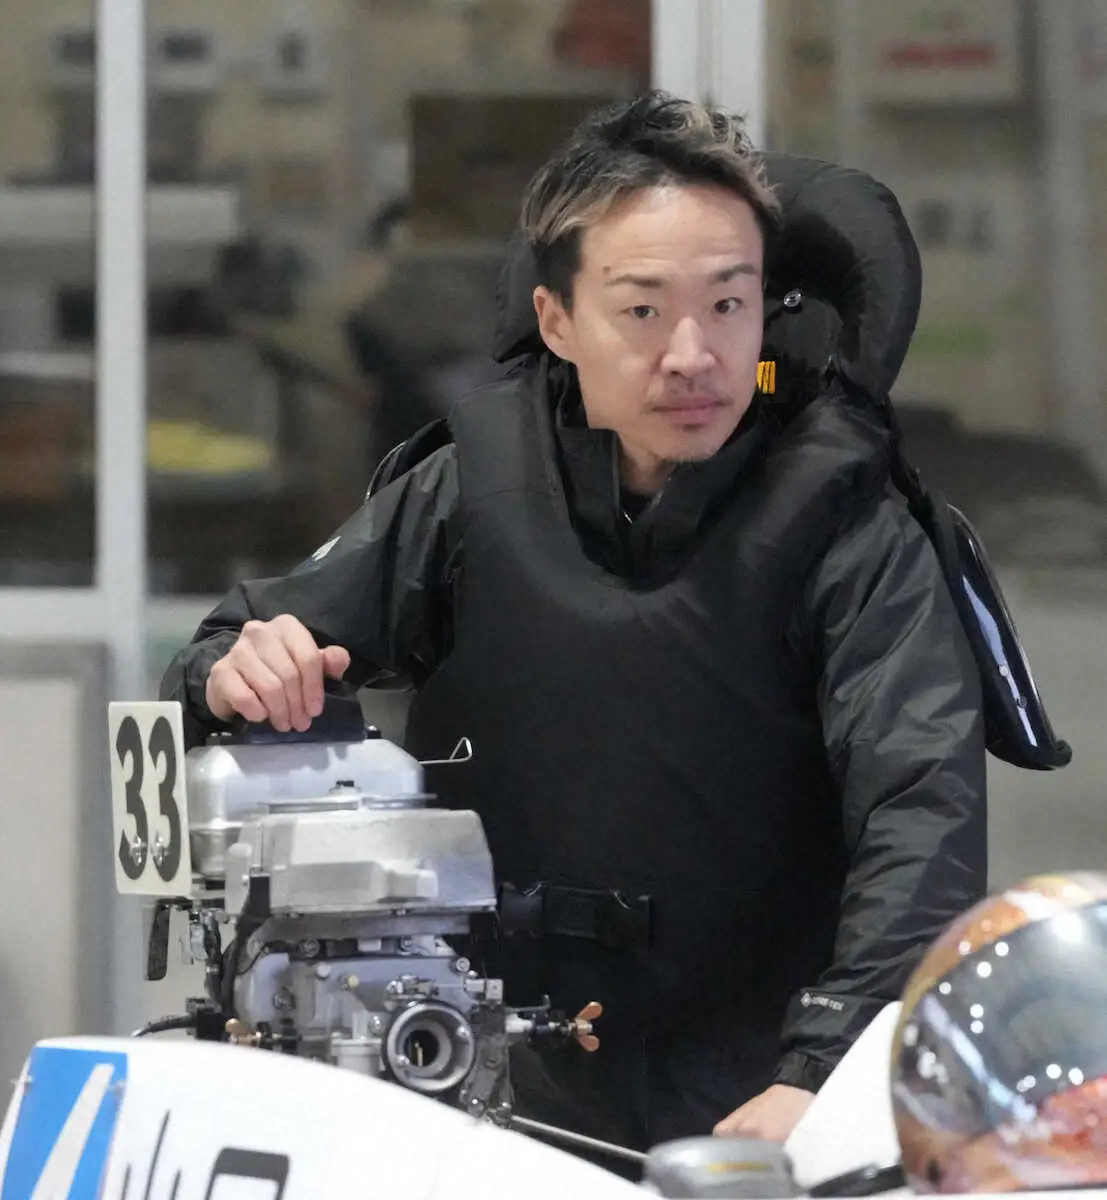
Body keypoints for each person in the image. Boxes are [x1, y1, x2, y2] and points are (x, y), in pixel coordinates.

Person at [161, 92, 986, 1163]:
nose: (692, 352)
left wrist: (821, 1077)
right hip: (480, 1077)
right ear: (557, 321)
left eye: (728, 304)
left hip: (760, 1096)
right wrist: (234, 670)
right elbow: (231, 645)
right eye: (643, 310)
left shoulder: (852, 528)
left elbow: (923, 822)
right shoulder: (469, 491)